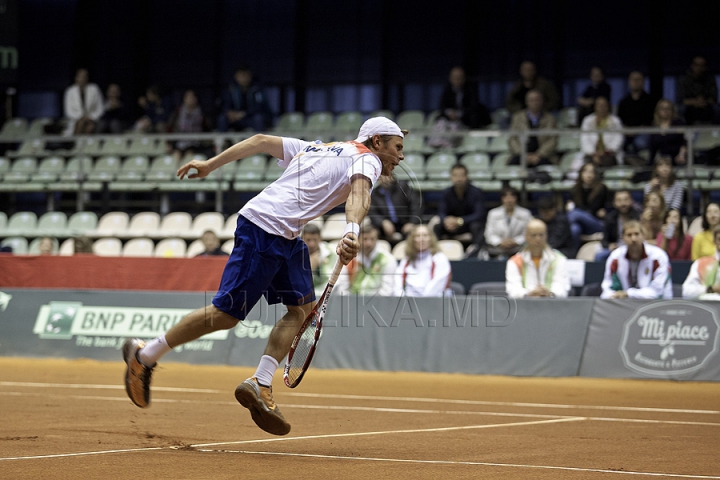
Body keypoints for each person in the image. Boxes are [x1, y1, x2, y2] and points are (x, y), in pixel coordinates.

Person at [121, 116, 407, 437]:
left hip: (287, 235)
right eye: (397, 147)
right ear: (377, 142)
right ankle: (144, 356)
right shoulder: (367, 159)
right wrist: (352, 231)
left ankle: (260, 382)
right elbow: (359, 193)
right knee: (225, 315)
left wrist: (210, 165)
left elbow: (259, 140)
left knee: (301, 311)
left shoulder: (317, 148)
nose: (401, 156)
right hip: (264, 228)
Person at [601, 220, 672, 299]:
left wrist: (628, 294)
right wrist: (613, 296)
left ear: (643, 236)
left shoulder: (658, 256)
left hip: (658, 304)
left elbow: (657, 291)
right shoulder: (615, 257)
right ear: (622, 238)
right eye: (629, 235)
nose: (633, 239)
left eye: (637, 234)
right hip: (625, 305)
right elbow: (607, 287)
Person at [506, 218, 571, 298]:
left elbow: (562, 287)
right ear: (526, 237)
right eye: (534, 235)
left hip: (551, 305)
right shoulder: (514, 261)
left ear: (546, 236)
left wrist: (550, 293)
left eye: (541, 235)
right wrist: (529, 294)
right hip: (524, 306)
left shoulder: (559, 259)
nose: (538, 239)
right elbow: (513, 289)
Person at [429, 66, 491, 148]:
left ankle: (450, 145)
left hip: (464, 121)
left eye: (459, 78)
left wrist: (459, 114)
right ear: (450, 78)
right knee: (441, 122)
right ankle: (437, 143)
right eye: (454, 78)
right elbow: (442, 107)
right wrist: (449, 112)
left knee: (455, 127)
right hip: (449, 119)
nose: (456, 80)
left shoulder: (470, 90)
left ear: (463, 79)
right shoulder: (447, 90)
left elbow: (473, 107)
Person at [433, 163, 485, 255]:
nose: (459, 179)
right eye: (455, 175)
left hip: (467, 225)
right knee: (437, 226)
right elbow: (441, 212)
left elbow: (479, 214)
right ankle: (436, 253)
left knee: (477, 226)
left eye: (462, 175)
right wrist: (446, 221)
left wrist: (460, 221)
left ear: (467, 177)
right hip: (451, 226)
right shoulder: (447, 193)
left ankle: (477, 253)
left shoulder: (476, 192)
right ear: (451, 177)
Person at [334, 224, 397, 296]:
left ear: (377, 240)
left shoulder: (387, 260)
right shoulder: (349, 258)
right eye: (365, 239)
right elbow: (343, 288)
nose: (369, 243)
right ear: (357, 240)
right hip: (352, 302)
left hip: (378, 303)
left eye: (372, 239)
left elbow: (387, 291)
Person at [394, 225, 452, 297]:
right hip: (409, 301)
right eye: (418, 236)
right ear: (412, 239)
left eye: (425, 235)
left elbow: (437, 286)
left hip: (435, 301)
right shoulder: (407, 260)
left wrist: (421, 302)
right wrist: (402, 299)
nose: (422, 239)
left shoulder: (440, 258)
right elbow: (398, 282)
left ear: (431, 238)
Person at [508, 89, 558, 167]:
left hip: (543, 156)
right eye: (532, 100)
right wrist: (524, 154)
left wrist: (539, 154)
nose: (534, 103)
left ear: (542, 101)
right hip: (521, 155)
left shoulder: (550, 118)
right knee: (511, 165)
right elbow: (512, 139)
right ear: (526, 102)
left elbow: (553, 140)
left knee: (546, 167)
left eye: (537, 100)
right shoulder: (517, 117)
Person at [218, 65, 273, 132]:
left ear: (250, 76)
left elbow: (259, 107)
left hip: (250, 118)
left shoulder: (257, 89)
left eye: (245, 75)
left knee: (258, 118)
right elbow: (226, 104)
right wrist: (230, 113)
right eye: (241, 75)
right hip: (236, 119)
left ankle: (259, 142)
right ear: (236, 76)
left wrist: (243, 114)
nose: (244, 78)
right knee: (222, 118)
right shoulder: (231, 89)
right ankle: (224, 142)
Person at [368, 175, 422, 244]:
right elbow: (372, 212)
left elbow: (416, 205)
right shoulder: (374, 193)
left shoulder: (403, 188)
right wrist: (382, 222)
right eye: (380, 177)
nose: (384, 179)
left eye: (386, 176)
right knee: (372, 232)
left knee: (415, 233)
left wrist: (412, 222)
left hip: (405, 222)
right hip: (385, 225)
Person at [567, 162, 609, 249]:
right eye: (586, 172)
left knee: (574, 213)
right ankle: (574, 256)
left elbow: (595, 210)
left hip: (596, 223)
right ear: (581, 174)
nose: (589, 175)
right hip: (581, 222)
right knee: (574, 229)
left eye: (591, 172)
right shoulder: (575, 190)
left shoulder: (601, 188)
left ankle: (563, 228)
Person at [484, 186, 532, 259]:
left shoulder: (525, 214)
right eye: (506, 197)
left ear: (516, 198)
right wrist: (500, 242)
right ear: (502, 199)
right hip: (497, 249)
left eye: (512, 197)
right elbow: (489, 234)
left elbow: (528, 233)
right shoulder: (493, 213)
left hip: (519, 249)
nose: (509, 200)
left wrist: (515, 241)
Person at [595, 189, 641, 263]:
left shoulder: (638, 217)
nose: (623, 203)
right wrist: (610, 245)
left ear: (631, 201)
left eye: (626, 200)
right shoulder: (610, 218)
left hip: (634, 246)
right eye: (619, 200)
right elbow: (604, 241)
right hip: (617, 248)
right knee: (599, 256)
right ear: (614, 203)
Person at [167, 89, 212, 158]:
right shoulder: (178, 112)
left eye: (192, 97)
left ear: (196, 99)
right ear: (184, 99)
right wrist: (169, 143)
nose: (190, 99)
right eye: (188, 97)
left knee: (189, 156)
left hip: (196, 143)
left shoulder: (201, 113)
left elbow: (207, 129)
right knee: (176, 155)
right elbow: (170, 128)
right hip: (180, 142)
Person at [617, 71, 655, 154]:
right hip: (626, 132)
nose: (636, 82)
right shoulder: (623, 102)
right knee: (618, 142)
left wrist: (637, 131)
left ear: (643, 81)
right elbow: (619, 120)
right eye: (633, 80)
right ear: (629, 82)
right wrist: (628, 131)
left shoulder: (650, 101)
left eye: (638, 79)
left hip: (644, 132)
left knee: (640, 143)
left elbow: (651, 120)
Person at [580, 96, 624, 167]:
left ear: (608, 107)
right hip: (591, 154)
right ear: (595, 107)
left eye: (604, 105)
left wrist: (604, 152)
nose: (601, 108)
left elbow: (618, 140)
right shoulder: (587, 120)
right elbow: (585, 140)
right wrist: (594, 154)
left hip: (609, 154)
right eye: (599, 105)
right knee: (589, 163)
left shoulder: (616, 121)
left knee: (607, 161)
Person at [677, 55, 718, 125]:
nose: (699, 68)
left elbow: (714, 98)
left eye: (702, 65)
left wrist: (704, 101)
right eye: (697, 65)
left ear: (705, 67)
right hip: (689, 106)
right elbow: (681, 99)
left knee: (716, 108)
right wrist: (695, 102)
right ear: (692, 65)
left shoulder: (710, 79)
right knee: (680, 109)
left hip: (706, 105)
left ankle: (716, 132)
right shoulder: (684, 79)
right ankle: (682, 131)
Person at [63, 68, 104, 136]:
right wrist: (81, 117)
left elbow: (100, 108)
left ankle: (85, 145)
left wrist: (91, 118)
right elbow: (68, 112)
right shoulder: (70, 91)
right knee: (81, 123)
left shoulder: (94, 89)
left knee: (90, 126)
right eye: (80, 76)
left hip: (91, 119)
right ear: (76, 78)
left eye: (84, 77)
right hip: (76, 120)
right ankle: (78, 143)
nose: (82, 79)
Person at [682, 225, 720, 299]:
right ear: (714, 241)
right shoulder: (700, 263)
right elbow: (686, 292)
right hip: (708, 307)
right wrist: (711, 289)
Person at [301, 223, 338, 297]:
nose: (312, 244)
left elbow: (337, 283)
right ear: (302, 239)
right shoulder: (294, 255)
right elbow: (297, 286)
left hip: (328, 297)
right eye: (308, 240)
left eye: (315, 240)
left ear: (320, 239)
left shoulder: (333, 252)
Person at [649, 99, 687, 166]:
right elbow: (653, 146)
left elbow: (685, 141)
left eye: (668, 108)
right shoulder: (654, 125)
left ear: (672, 110)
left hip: (677, 156)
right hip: (662, 157)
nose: (665, 111)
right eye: (662, 108)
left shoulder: (678, 123)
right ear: (658, 111)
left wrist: (681, 155)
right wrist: (651, 161)